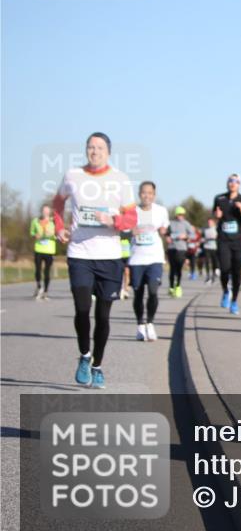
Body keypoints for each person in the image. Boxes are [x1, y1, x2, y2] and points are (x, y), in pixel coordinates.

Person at [52, 132, 137, 389]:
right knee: (81, 309)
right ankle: (84, 355)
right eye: (90, 147)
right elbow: (57, 203)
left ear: (108, 152)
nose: (94, 151)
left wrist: (115, 221)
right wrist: (59, 228)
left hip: (109, 257)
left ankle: (97, 365)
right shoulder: (72, 176)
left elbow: (132, 218)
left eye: (99, 148)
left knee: (103, 315)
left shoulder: (120, 179)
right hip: (79, 253)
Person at [128, 181, 170, 341]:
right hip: (137, 257)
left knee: (153, 291)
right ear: (139, 194)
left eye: (150, 193)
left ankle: (150, 324)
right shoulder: (132, 211)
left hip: (155, 257)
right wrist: (130, 231)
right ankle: (140, 325)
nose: (147, 196)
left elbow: (165, 228)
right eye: (144, 192)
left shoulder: (161, 211)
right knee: (138, 293)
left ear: (154, 195)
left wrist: (165, 231)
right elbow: (122, 229)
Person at [213, 174, 241, 315]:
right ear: (227, 183)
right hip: (223, 240)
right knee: (224, 269)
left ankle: (234, 301)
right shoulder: (219, 199)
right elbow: (216, 215)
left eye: (235, 181)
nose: (232, 183)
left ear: (239, 184)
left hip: (238, 241)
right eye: (230, 181)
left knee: (236, 272)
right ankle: (225, 291)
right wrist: (217, 216)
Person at [165, 206, 195, 298]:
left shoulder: (186, 224)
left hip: (182, 249)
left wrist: (185, 237)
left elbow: (193, 235)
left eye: (181, 214)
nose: (180, 216)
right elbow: (167, 233)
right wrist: (167, 238)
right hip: (171, 248)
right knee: (172, 269)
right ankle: (171, 287)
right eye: (178, 214)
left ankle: (178, 286)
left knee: (178, 268)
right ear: (176, 215)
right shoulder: (171, 223)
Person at [30, 205, 56, 300]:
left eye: (47, 211)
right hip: (38, 249)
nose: (45, 212)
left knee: (47, 271)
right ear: (41, 211)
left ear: (49, 212)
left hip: (49, 250)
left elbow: (58, 233)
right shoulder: (35, 221)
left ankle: (45, 291)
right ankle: (39, 286)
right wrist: (35, 235)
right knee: (38, 269)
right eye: (44, 210)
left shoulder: (53, 221)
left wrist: (53, 235)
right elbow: (31, 232)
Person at [202, 218, 219, 283]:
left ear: (213, 223)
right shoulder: (205, 229)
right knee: (207, 262)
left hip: (214, 247)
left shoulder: (216, 229)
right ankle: (208, 276)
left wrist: (215, 237)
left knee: (214, 262)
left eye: (210, 222)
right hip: (207, 247)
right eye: (208, 222)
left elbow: (219, 236)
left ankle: (213, 275)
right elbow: (202, 237)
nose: (209, 223)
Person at [120, 231, 132, 299]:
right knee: (119, 273)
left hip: (128, 255)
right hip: (118, 255)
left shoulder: (130, 231)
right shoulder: (118, 230)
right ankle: (120, 289)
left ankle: (125, 289)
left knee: (127, 272)